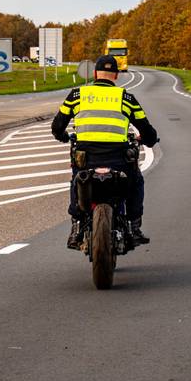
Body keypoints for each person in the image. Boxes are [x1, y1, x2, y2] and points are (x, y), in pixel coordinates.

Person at [51, 55, 158, 250]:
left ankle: (76, 227)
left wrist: (65, 137)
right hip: (119, 160)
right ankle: (134, 227)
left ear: (94, 74)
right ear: (116, 75)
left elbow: (57, 127)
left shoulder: (77, 96)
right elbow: (147, 130)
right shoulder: (126, 98)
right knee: (136, 181)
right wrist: (149, 140)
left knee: (76, 180)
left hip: (86, 159)